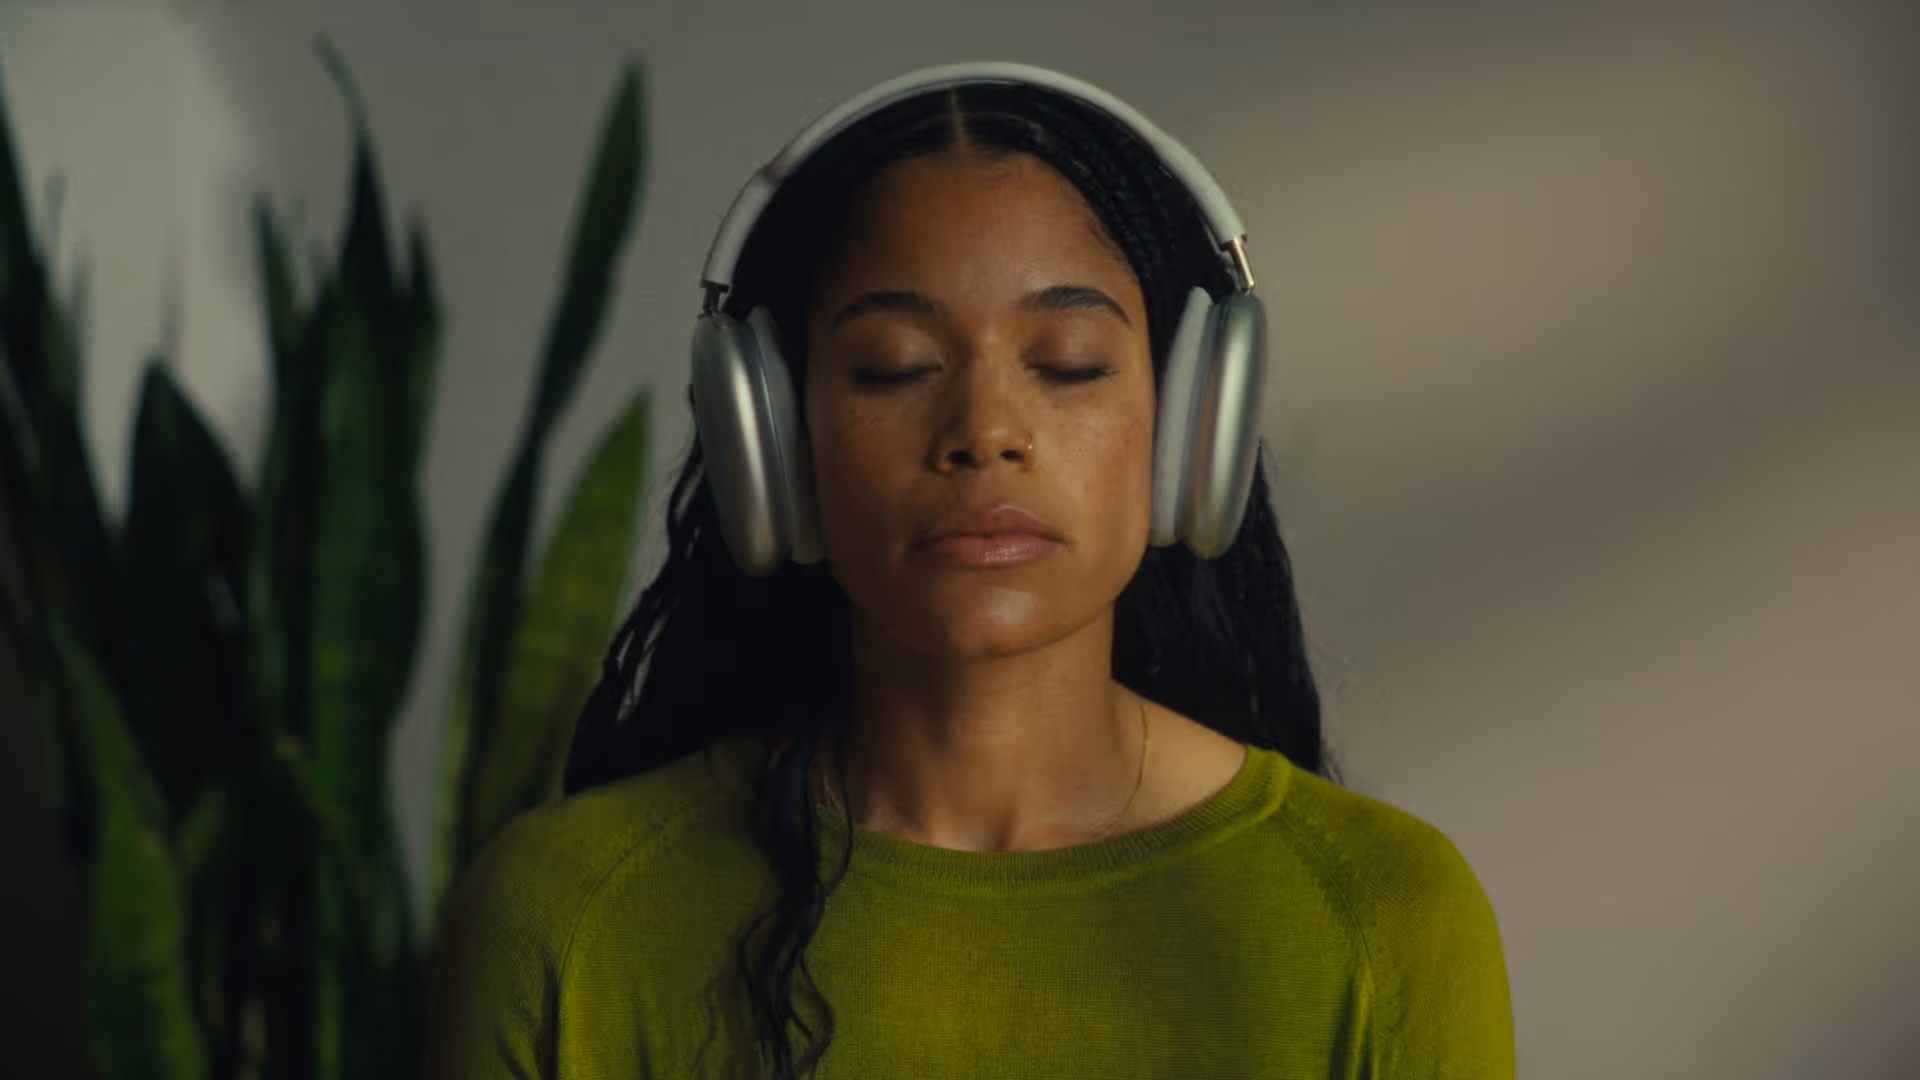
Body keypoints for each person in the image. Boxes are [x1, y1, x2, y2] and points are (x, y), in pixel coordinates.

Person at [422, 64, 1513, 1080]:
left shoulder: (1384, 917)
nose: (986, 431)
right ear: (772, 442)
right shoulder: (566, 914)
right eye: (895, 367)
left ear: (1191, 428)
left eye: (1068, 365)